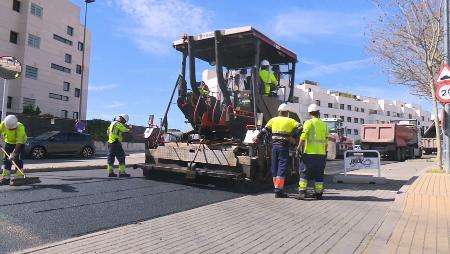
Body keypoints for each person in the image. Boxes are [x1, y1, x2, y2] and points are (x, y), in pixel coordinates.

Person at [253, 103, 302, 198]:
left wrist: (256, 137)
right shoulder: (291, 121)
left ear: (279, 112)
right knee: (282, 167)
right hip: (284, 147)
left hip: (274, 147)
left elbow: (264, 130)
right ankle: (279, 191)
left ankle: (276, 187)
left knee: (274, 166)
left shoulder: (273, 120)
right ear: (287, 112)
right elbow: (301, 127)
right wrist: (293, 136)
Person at [296, 104, 329, 200]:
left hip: (309, 154)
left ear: (309, 113)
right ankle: (318, 194)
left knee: (304, 173)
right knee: (319, 174)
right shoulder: (324, 125)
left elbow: (303, 137)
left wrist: (298, 148)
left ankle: (302, 192)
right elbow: (326, 141)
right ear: (318, 113)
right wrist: (324, 151)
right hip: (321, 154)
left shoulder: (308, 123)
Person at [0, 115, 27, 185]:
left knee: (17, 159)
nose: (10, 130)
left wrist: (13, 153)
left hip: (19, 144)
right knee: (6, 160)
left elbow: (19, 142)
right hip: (8, 142)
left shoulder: (20, 127)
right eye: (9, 128)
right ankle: (6, 177)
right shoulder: (3, 124)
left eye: (12, 129)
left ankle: (19, 176)